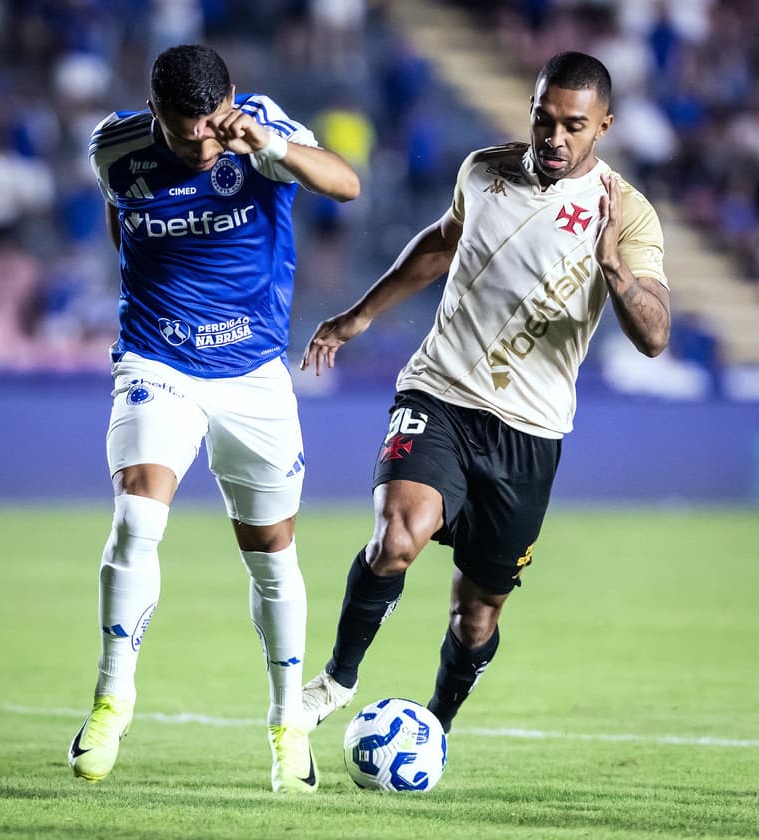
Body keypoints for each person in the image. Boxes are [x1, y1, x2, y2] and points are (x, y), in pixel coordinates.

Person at [299, 52, 670, 735]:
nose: (554, 138)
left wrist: (613, 267)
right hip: (441, 391)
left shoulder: (630, 215)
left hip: (529, 431)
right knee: (396, 537)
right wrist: (359, 314)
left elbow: (653, 336)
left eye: (573, 126)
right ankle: (333, 681)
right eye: (543, 119)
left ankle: (436, 724)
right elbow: (441, 244)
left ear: (604, 127)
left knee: (476, 615)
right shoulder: (485, 170)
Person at [68, 44, 359, 793]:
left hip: (253, 376)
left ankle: (286, 724)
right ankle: (111, 699)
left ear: (229, 99)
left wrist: (271, 146)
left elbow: (346, 184)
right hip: (157, 361)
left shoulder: (258, 131)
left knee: (271, 553)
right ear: (153, 110)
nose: (200, 143)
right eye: (181, 129)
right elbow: (121, 215)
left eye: (210, 126)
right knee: (137, 513)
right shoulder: (116, 145)